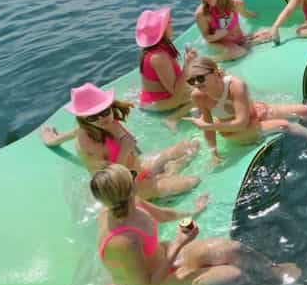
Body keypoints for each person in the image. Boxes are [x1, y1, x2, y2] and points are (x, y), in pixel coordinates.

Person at [90, 164, 298, 285]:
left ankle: (275, 272)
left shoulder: (132, 202)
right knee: (231, 275)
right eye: (133, 174)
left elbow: (162, 215)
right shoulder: (123, 242)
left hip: (163, 259)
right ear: (130, 187)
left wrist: (192, 212)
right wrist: (180, 243)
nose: (138, 175)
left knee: (231, 248)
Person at [40, 84, 200, 199]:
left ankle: (168, 171)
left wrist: (52, 140)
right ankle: (169, 173)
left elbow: (70, 134)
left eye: (104, 111)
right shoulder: (88, 144)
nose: (101, 118)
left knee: (190, 146)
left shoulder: (105, 122)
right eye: (92, 116)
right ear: (84, 120)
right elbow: (110, 181)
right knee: (193, 182)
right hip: (129, 188)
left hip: (139, 170)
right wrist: (124, 151)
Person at [182, 55, 307, 160]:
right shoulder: (198, 96)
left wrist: (208, 125)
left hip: (252, 113)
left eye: (200, 77)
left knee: (304, 110)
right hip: (236, 131)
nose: (196, 84)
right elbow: (229, 125)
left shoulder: (235, 85)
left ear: (215, 73)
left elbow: (211, 124)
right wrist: (213, 153)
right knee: (284, 125)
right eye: (192, 81)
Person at [189, 0, 278, 61]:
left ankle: (245, 45)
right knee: (239, 53)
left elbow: (246, 14)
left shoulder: (236, 3)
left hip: (239, 38)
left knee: (269, 34)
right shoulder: (201, 14)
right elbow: (207, 37)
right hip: (219, 42)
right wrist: (218, 35)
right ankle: (208, 60)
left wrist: (255, 15)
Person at [136, 8, 192, 130]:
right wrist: (188, 65)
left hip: (156, 98)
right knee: (199, 96)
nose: (172, 25)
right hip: (156, 103)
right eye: (170, 23)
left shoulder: (158, 50)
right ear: (163, 30)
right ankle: (172, 119)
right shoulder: (159, 57)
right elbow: (175, 92)